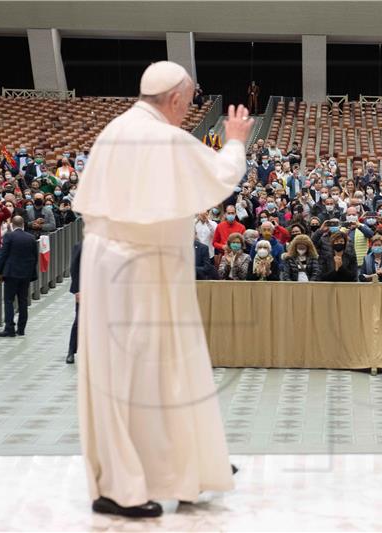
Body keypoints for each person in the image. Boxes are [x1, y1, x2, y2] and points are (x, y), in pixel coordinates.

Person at [71, 61, 253, 518]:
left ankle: (186, 467)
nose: (189, 110)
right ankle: (122, 486)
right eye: (190, 102)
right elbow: (220, 177)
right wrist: (235, 141)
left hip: (109, 262)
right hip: (142, 269)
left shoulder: (116, 128)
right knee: (149, 374)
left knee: (145, 373)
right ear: (175, 98)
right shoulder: (165, 137)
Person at [0, 216, 38, 337]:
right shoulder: (31, 238)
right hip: (25, 275)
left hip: (11, 274)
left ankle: (9, 328)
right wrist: (31, 274)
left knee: (9, 300)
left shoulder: (9, 236)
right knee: (23, 301)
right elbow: (35, 257)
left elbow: (3, 255)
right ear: (23, 224)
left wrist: (0, 272)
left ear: (12, 225)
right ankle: (21, 328)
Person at [66, 243, 81, 364]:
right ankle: (71, 351)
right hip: (84, 290)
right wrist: (77, 290)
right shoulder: (80, 247)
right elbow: (74, 269)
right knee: (78, 321)